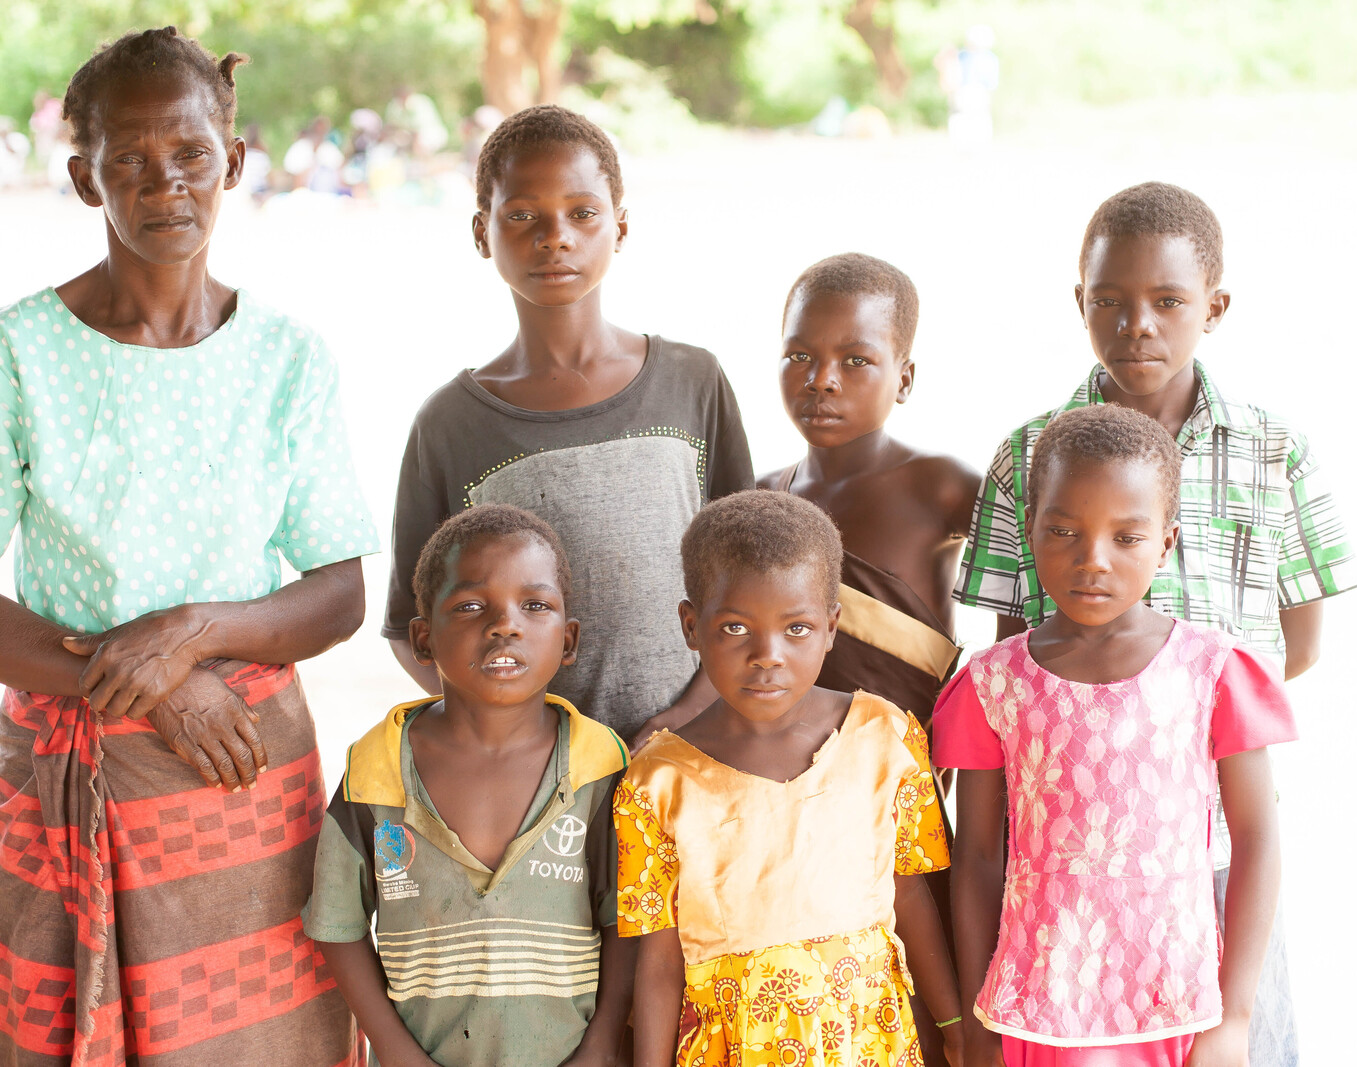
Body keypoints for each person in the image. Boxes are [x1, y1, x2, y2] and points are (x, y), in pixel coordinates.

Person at [0, 27, 378, 1066]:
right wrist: (163, 680)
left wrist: (196, 631)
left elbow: (339, 587)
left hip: (242, 781)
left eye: (192, 155)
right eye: (130, 159)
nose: (166, 182)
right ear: (86, 178)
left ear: (236, 163)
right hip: (69, 775)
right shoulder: (22, 351)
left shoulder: (288, 358)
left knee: (264, 1039)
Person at [954, 183, 1357, 1065]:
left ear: (1214, 308)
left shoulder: (1273, 449)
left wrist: (1170, 724)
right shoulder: (1025, 455)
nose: (1138, 323)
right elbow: (1012, 665)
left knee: (1237, 1039)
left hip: (1212, 845)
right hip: (1066, 865)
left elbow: (1301, 643)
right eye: (1111, 301)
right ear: (1080, 303)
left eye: (1168, 301)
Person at [935, 405, 1297, 1067]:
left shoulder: (1211, 670)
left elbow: (1257, 836)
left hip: (1178, 1010)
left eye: (1125, 537)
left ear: (1166, 541)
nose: (1092, 560)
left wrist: (1234, 1014)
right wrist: (979, 1011)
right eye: (1064, 531)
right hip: (1032, 1009)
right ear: (1030, 530)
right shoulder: (995, 684)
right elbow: (980, 857)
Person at [383, 105, 753, 748]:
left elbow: (750, 583)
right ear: (481, 232)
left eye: (583, 213)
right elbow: (409, 631)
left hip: (694, 757)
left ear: (621, 226)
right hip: (540, 793)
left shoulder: (693, 383)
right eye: (523, 215)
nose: (556, 237)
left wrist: (686, 717)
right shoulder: (451, 424)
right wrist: (525, 740)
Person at [618, 490, 965, 1067]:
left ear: (832, 627)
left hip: (870, 1041)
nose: (767, 655)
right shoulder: (657, 783)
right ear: (690, 626)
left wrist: (953, 1026)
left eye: (797, 629)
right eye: (734, 628)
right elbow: (658, 962)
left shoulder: (887, 738)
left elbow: (911, 895)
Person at [304, 505, 631, 1067]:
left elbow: (625, 921)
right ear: (423, 639)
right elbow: (338, 924)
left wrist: (602, 1044)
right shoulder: (376, 767)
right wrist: (395, 1051)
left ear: (568, 639)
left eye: (535, 605)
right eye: (472, 606)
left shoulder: (598, 765)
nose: (506, 624)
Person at [760, 253, 979, 727]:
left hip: (904, 782)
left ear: (904, 379)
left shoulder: (942, 487)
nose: (821, 380)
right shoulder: (761, 501)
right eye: (800, 357)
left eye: (856, 360)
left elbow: (1031, 576)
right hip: (776, 775)